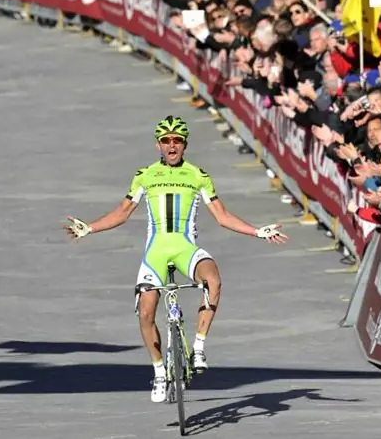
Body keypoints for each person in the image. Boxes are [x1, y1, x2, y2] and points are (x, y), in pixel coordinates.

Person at [64, 116, 287, 403]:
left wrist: (257, 231)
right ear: (158, 145)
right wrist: (90, 228)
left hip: (185, 249)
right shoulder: (145, 175)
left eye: (177, 140)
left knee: (213, 279)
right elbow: (122, 213)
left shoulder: (198, 175)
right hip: (155, 253)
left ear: (185, 145)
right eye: (166, 140)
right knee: (146, 312)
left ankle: (199, 347)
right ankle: (158, 371)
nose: (172, 145)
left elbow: (222, 216)